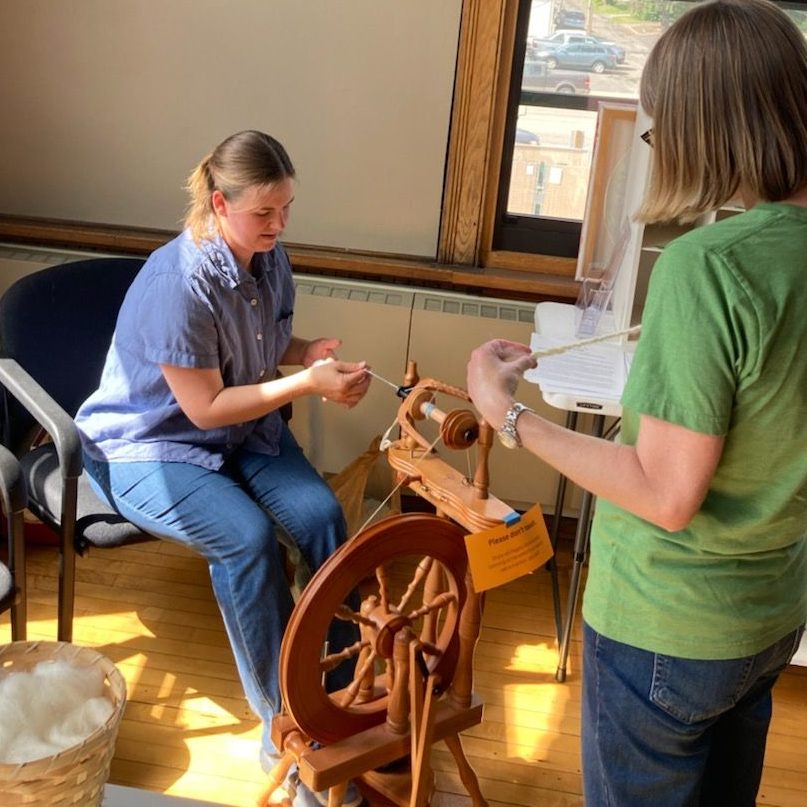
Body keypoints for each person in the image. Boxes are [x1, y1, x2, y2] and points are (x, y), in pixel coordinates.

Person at [466, 1, 806, 804]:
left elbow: (664, 491)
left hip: (669, 622)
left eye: (659, 130)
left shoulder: (708, 265)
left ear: (702, 128)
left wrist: (507, 413)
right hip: (768, 613)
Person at [75, 130, 370, 807]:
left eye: (287, 208)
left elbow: (254, 342)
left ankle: (341, 695)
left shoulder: (266, 255)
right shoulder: (177, 282)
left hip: (235, 430)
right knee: (245, 539)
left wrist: (304, 350)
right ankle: (290, 735)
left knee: (324, 518)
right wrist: (307, 384)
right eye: (265, 212)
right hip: (147, 444)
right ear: (218, 202)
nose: (280, 223)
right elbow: (204, 407)